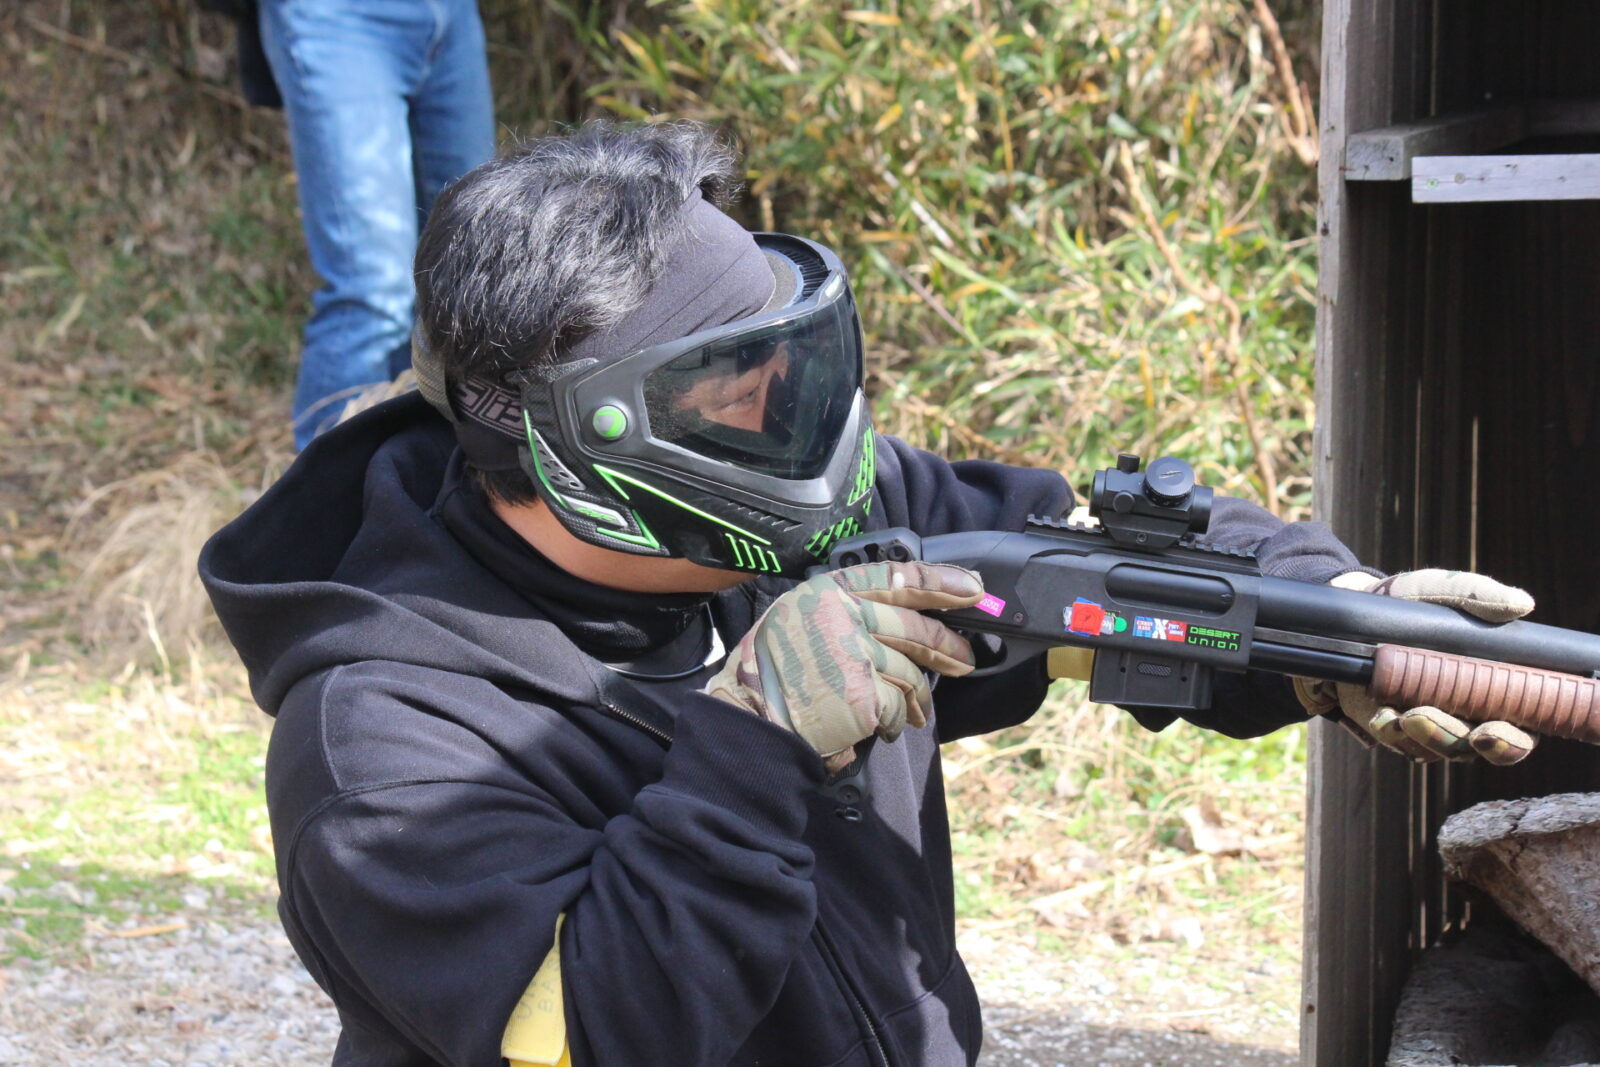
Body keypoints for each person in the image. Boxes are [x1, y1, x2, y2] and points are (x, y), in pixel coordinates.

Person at [199, 121, 1538, 1066]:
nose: (805, 426)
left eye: (791, 365)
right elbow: (594, 1034)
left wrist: (1326, 618)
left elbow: (1070, 573)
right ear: (598, 450)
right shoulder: (384, 744)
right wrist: (756, 740)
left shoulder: (780, 516)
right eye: (742, 397)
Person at [253, 0, 496, 449]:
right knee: (372, 295)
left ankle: (429, 473)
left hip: (452, 14)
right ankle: (331, 488)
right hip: (337, 16)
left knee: (474, 269)